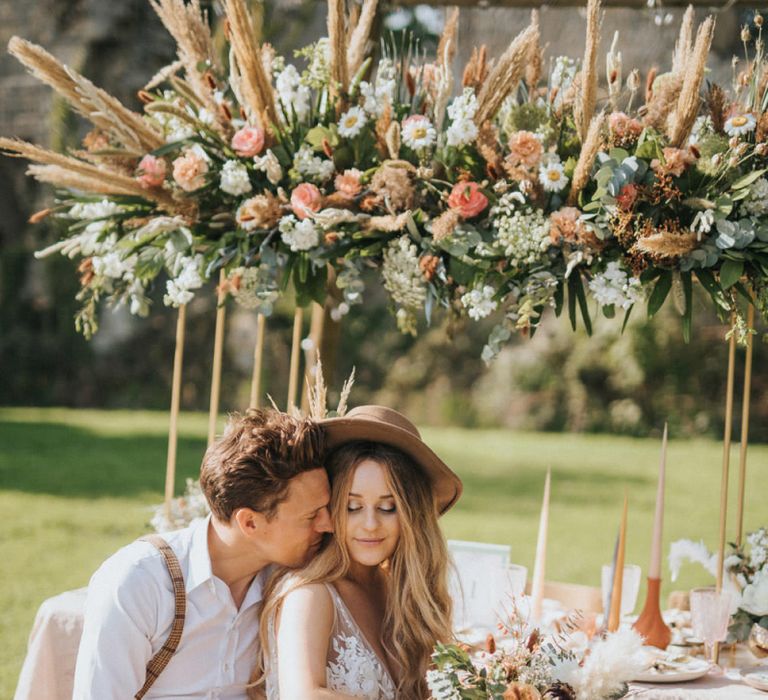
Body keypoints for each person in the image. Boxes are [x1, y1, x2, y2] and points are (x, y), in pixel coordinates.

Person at [72, 408, 333, 699]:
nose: (329, 524)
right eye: (312, 516)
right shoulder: (137, 583)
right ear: (250, 522)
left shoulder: (290, 583)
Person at [254, 405, 463, 700]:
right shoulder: (311, 594)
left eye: (387, 507)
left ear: (411, 516)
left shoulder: (402, 592)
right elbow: (302, 696)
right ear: (331, 508)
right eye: (353, 507)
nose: (370, 525)